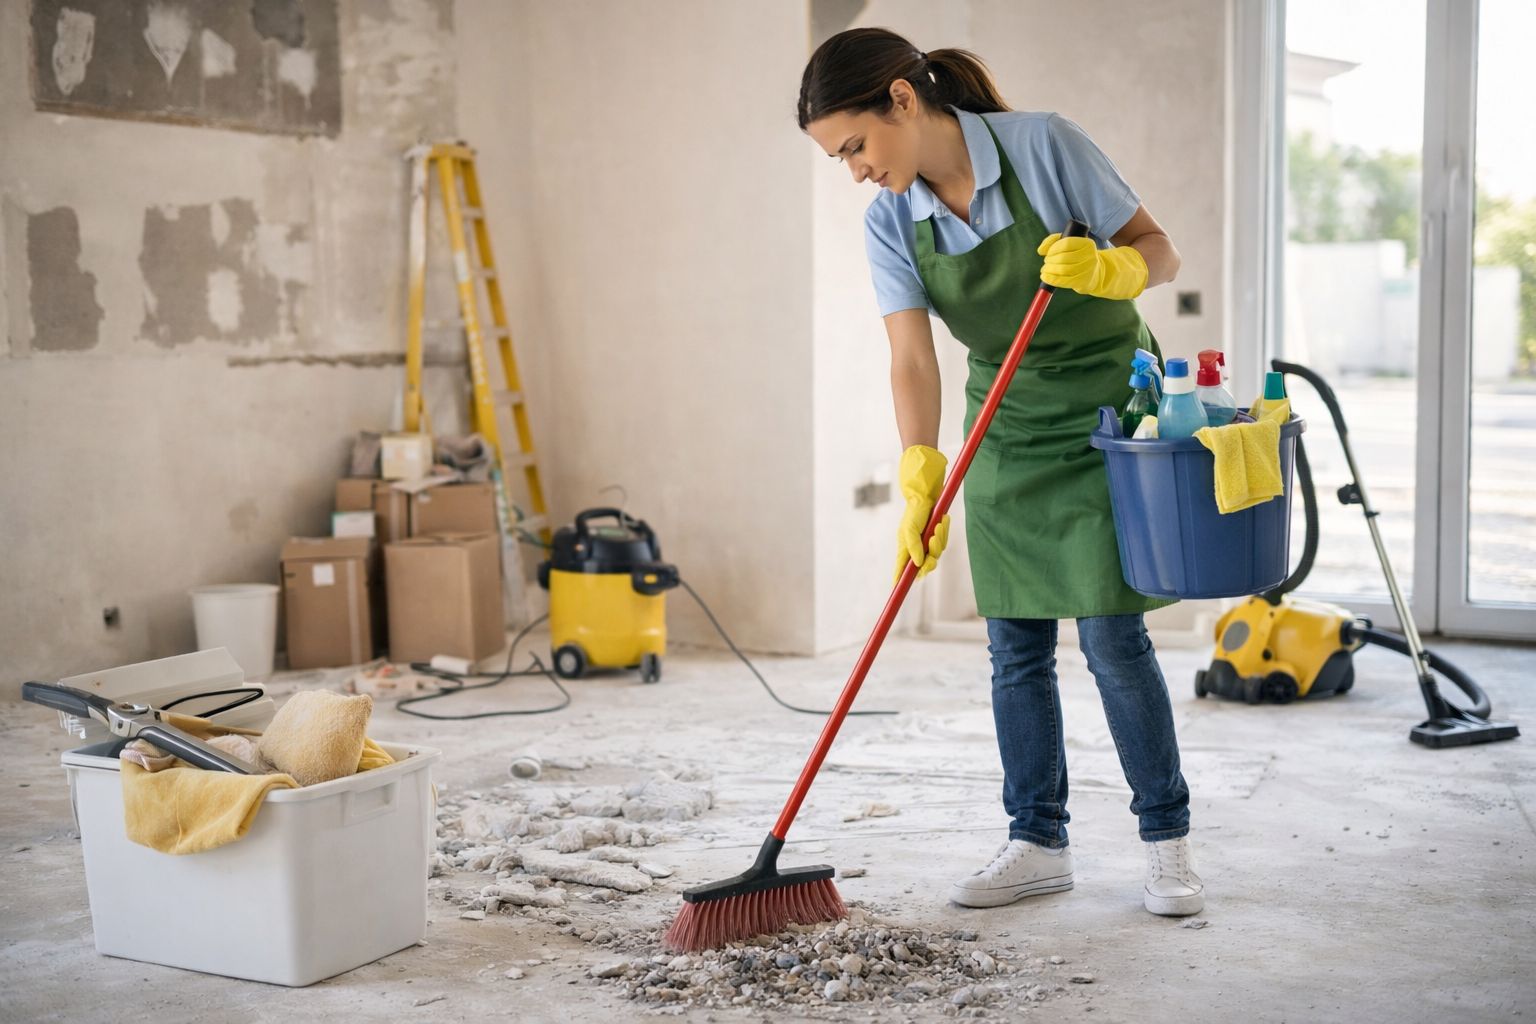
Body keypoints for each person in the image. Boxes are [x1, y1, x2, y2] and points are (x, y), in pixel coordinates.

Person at [798, 28, 1203, 917]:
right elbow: (911, 356)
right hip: (1007, 422)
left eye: (857, 146)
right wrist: (920, 465)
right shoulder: (890, 220)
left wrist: (1113, 266)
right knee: (1015, 650)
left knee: (1110, 638)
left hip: (1106, 415)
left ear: (902, 99)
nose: (857, 171)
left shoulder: (1042, 144)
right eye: (841, 159)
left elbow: (1161, 251)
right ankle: (1036, 841)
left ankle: (1167, 844)